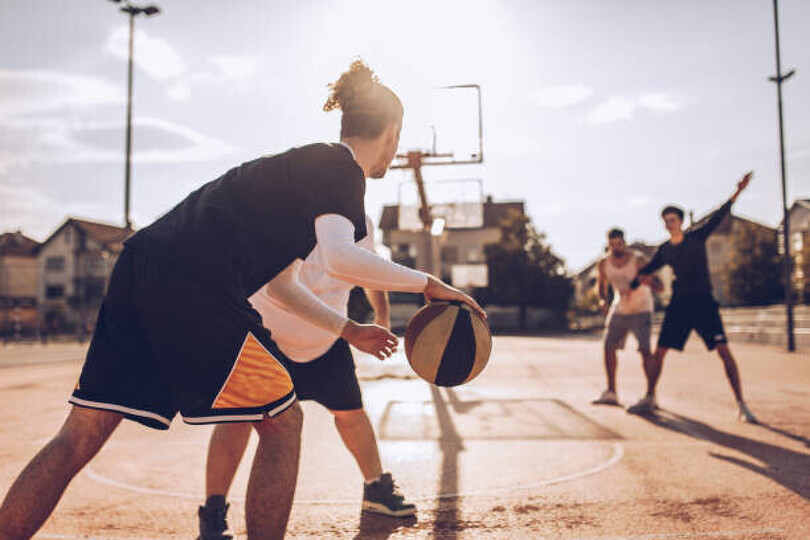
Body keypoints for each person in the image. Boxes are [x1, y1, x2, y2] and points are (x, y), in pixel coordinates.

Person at [0, 60, 482, 540]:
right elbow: (339, 257)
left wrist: (348, 330)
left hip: (140, 264)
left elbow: (280, 285)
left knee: (77, 437)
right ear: (393, 133)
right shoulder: (341, 167)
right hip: (198, 281)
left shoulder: (298, 173)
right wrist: (428, 284)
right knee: (283, 423)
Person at [197, 215, 415, 540]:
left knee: (351, 414)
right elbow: (265, 280)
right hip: (266, 339)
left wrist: (381, 315)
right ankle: (213, 514)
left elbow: (368, 270)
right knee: (236, 419)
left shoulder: (358, 219)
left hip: (326, 338)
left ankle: (376, 489)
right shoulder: (280, 209)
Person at [627, 172, 757, 423]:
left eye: (672, 220)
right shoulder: (664, 249)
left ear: (681, 221)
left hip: (704, 303)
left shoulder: (697, 237)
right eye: (665, 221)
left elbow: (720, 213)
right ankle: (650, 396)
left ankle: (742, 404)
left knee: (723, 351)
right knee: (660, 352)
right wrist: (634, 282)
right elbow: (648, 269)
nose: (669, 224)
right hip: (679, 305)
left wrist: (737, 191)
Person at [592, 228, 662, 406]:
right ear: (608, 244)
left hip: (642, 307)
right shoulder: (603, 263)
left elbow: (660, 286)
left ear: (625, 242)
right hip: (620, 308)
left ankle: (651, 395)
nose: (616, 247)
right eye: (612, 244)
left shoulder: (638, 259)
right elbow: (601, 285)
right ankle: (611, 392)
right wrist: (602, 300)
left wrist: (648, 281)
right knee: (608, 347)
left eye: (619, 243)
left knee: (645, 350)